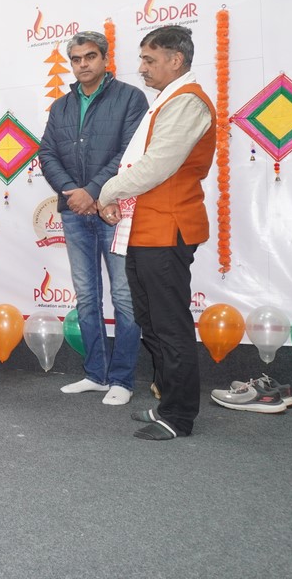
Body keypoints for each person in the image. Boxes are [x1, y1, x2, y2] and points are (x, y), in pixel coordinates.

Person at [97, 25, 216, 441]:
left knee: (169, 325)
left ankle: (178, 417)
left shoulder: (187, 101)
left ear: (176, 60)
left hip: (168, 227)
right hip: (146, 229)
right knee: (151, 322)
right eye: (142, 59)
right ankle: (167, 403)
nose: (142, 68)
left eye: (149, 59)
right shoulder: (168, 99)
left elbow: (157, 166)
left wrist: (108, 191)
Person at [38, 31, 148, 406]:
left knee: (124, 297)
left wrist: (94, 192)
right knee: (86, 296)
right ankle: (96, 374)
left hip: (115, 210)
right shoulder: (61, 106)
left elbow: (130, 152)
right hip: (74, 212)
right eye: (76, 59)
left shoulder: (130, 98)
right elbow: (47, 154)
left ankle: (122, 379)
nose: (83, 64)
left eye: (90, 56)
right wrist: (74, 192)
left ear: (105, 58)